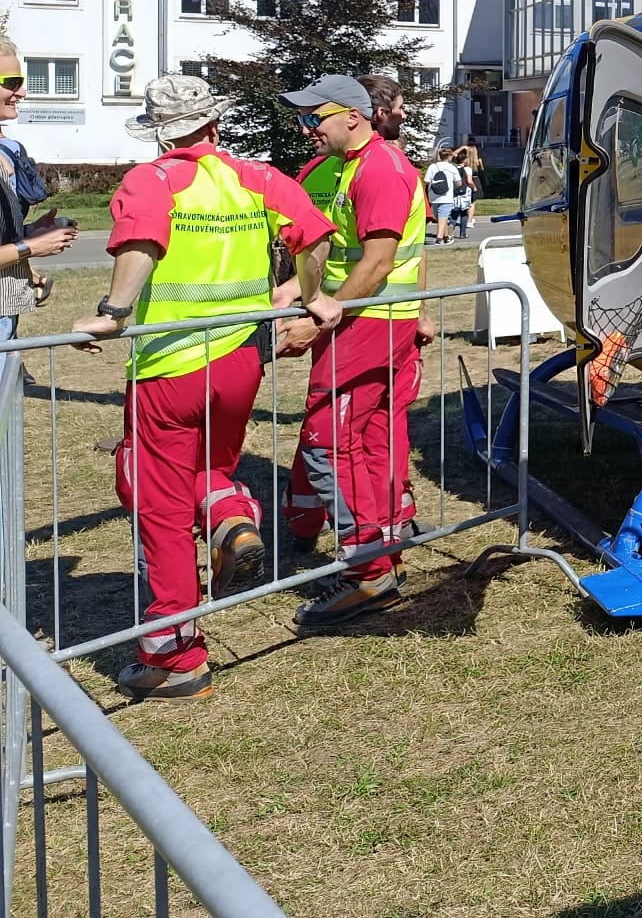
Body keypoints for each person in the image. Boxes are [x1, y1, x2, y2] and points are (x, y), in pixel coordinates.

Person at [70, 75, 340, 701]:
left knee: (160, 505)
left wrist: (112, 312)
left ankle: (175, 656)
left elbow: (142, 242)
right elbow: (316, 234)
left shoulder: (153, 179)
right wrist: (311, 293)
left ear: (161, 133)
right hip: (241, 361)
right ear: (214, 126)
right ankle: (231, 516)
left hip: (170, 368)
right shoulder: (259, 177)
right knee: (210, 470)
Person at [277, 74, 429, 627]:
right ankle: (381, 556)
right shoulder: (349, 165)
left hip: (369, 324)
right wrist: (295, 291)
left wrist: (320, 320)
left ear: (352, 117)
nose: (306, 128)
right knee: (364, 442)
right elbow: (340, 252)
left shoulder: (379, 168)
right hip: (369, 321)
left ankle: (367, 573)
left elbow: (379, 262)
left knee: (327, 443)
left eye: (313, 117)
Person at [0, 38, 79, 339]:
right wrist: (31, 247)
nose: (22, 92)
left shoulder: (7, 147)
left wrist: (30, 232)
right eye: (12, 83)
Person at [424, 146, 461, 244]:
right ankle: (439, 238)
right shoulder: (452, 168)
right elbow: (459, 183)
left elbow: (426, 180)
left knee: (440, 217)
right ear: (449, 156)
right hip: (446, 196)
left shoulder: (433, 166)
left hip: (434, 196)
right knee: (443, 217)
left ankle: (446, 237)